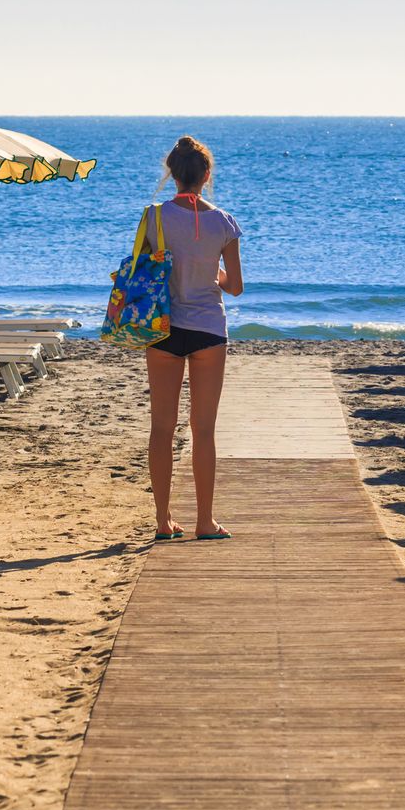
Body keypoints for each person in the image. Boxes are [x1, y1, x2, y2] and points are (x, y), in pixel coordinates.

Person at [143, 136, 243, 542]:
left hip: (163, 327)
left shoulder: (153, 217)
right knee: (203, 430)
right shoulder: (223, 223)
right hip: (207, 330)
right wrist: (210, 274)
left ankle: (163, 521)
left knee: (161, 429)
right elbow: (234, 286)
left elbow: (146, 269)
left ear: (172, 173)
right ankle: (205, 521)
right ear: (206, 175)